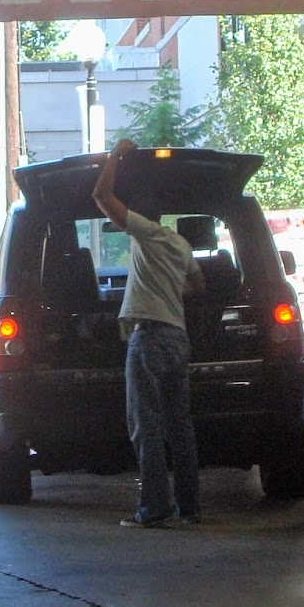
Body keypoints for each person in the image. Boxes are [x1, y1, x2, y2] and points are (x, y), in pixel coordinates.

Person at [92, 138, 205, 529]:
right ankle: (189, 508)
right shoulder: (179, 243)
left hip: (150, 338)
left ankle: (154, 509)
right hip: (178, 337)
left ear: (138, 218)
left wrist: (115, 156)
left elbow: (101, 195)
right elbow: (198, 285)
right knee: (180, 426)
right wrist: (167, 288)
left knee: (146, 425)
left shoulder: (146, 235)